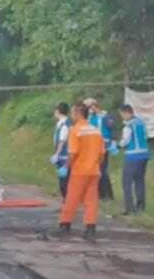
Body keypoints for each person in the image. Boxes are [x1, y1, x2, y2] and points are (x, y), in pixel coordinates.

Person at [56, 102, 105, 242]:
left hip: (79, 170)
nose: (71, 115)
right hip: (94, 171)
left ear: (78, 113)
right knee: (91, 200)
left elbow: (73, 153)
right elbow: (102, 154)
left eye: (73, 112)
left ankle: (65, 224)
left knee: (72, 198)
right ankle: (90, 228)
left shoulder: (75, 130)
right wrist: (95, 164)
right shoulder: (95, 130)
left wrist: (66, 167)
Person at [118, 104, 150, 215]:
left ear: (126, 112)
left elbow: (125, 141)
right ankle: (140, 207)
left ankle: (129, 208)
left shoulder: (128, 126)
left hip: (132, 156)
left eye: (121, 114)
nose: (122, 117)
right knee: (139, 181)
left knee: (126, 182)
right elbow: (145, 136)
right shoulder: (141, 122)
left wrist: (119, 145)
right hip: (144, 155)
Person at [84, 98, 115, 200]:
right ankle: (100, 194)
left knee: (102, 170)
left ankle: (107, 195)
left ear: (94, 105)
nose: (88, 109)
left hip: (103, 147)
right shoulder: (90, 117)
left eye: (89, 107)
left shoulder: (104, 115)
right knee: (96, 171)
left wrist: (102, 115)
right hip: (93, 147)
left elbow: (111, 126)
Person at [52, 102, 71, 200]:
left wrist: (57, 154)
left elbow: (62, 141)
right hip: (63, 156)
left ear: (58, 111)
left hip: (64, 156)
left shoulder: (64, 125)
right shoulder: (61, 123)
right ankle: (66, 202)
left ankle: (67, 203)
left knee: (64, 182)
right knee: (63, 181)